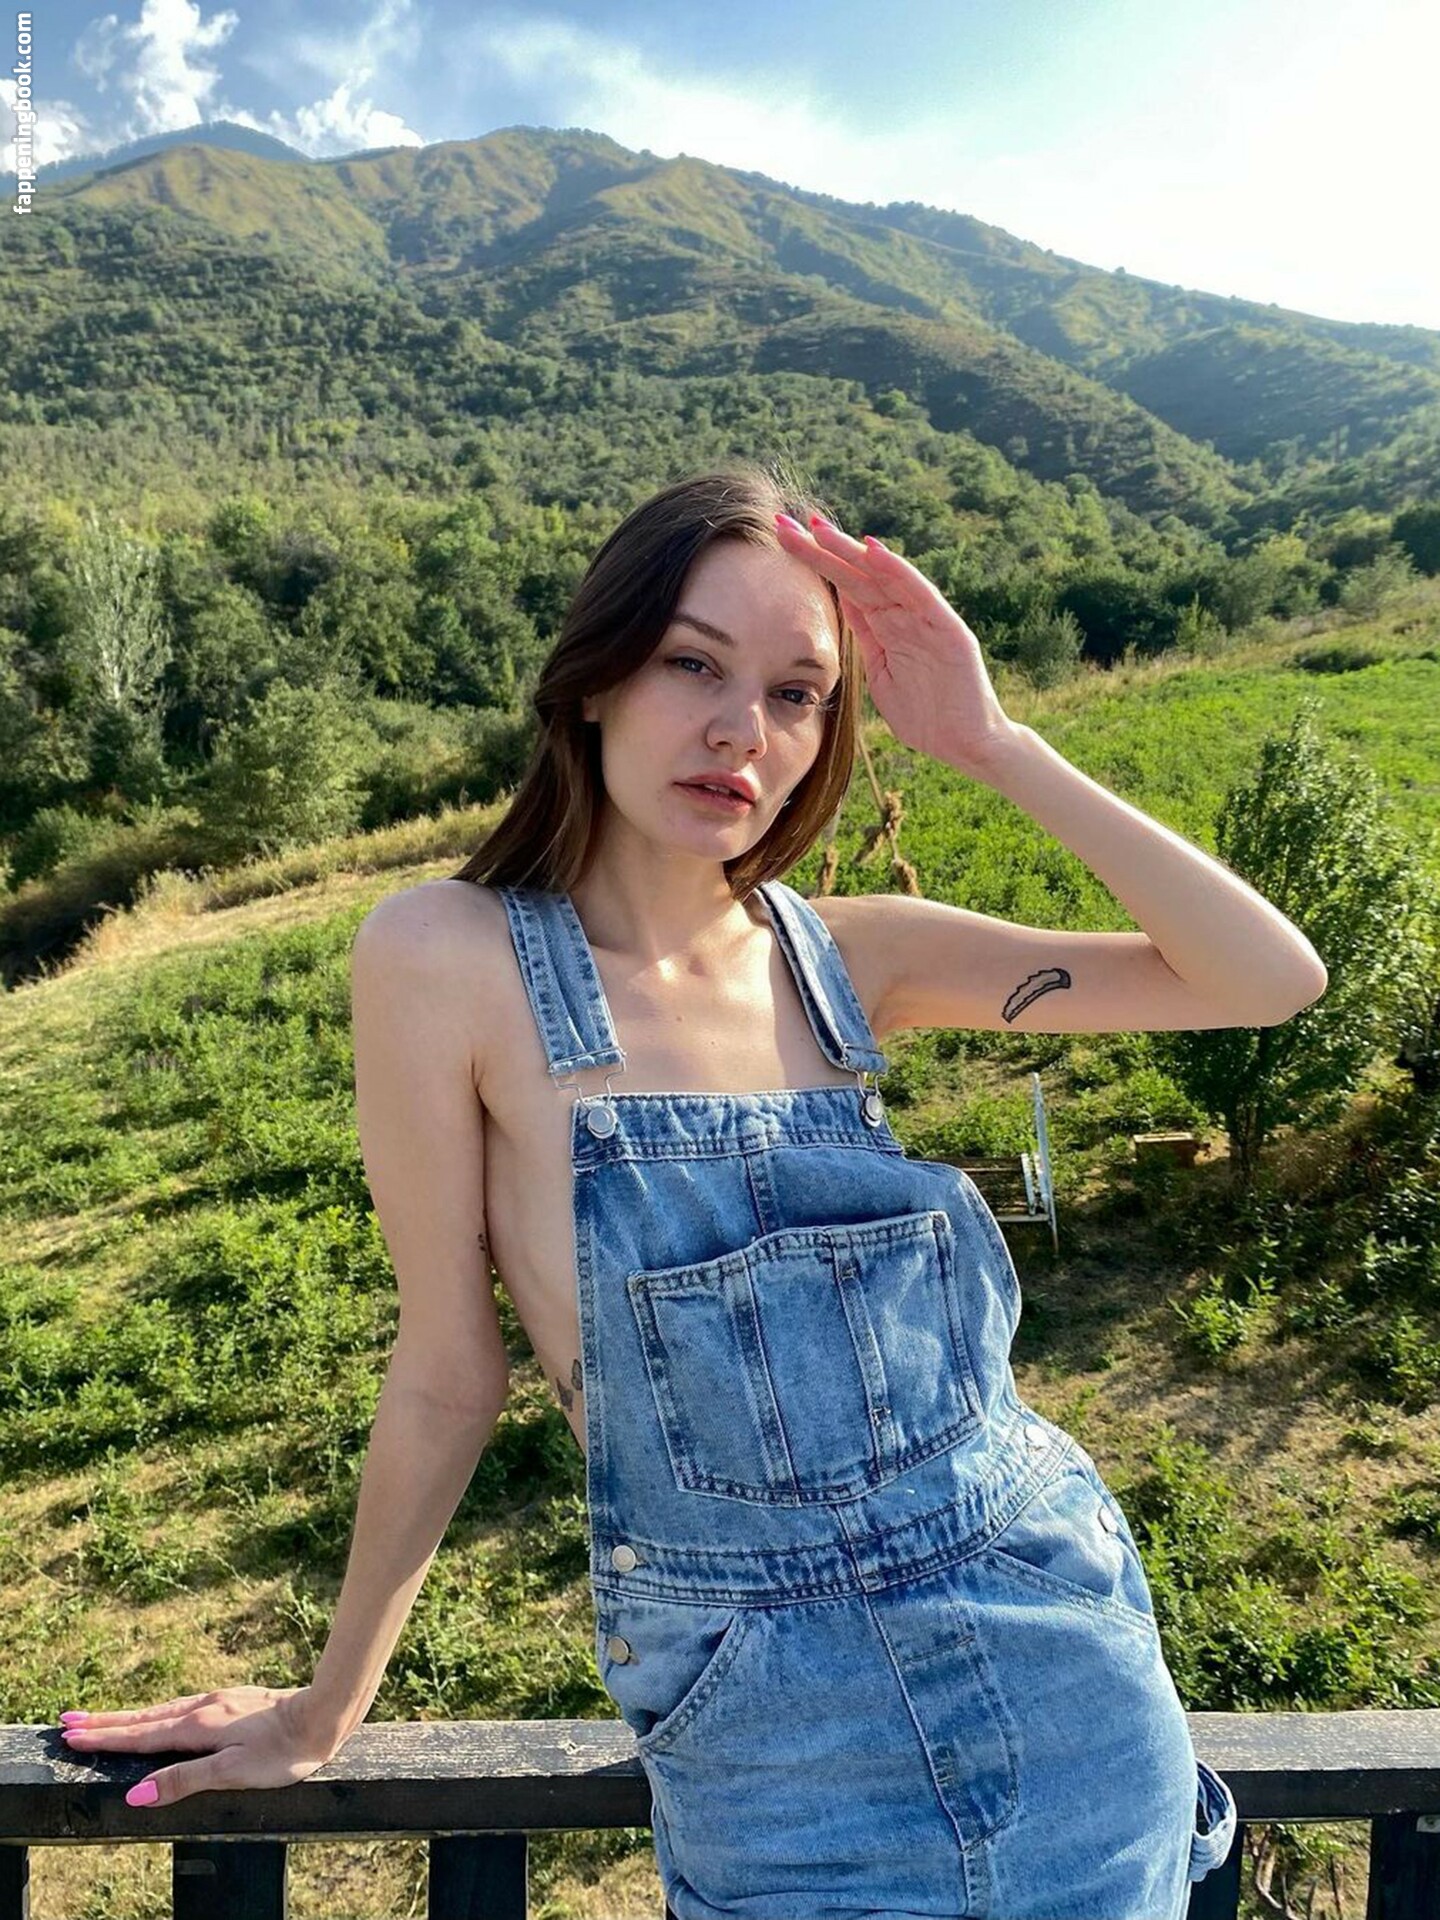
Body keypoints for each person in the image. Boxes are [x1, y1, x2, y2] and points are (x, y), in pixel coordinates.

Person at [57, 461, 1328, 1917]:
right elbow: (447, 1371)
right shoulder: (444, 955)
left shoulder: (859, 958)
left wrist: (994, 742)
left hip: (1062, 1671)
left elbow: (1267, 980)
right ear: (598, 677)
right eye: (693, 663)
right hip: (766, 1743)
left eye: (797, 694)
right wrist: (322, 1711)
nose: (742, 730)